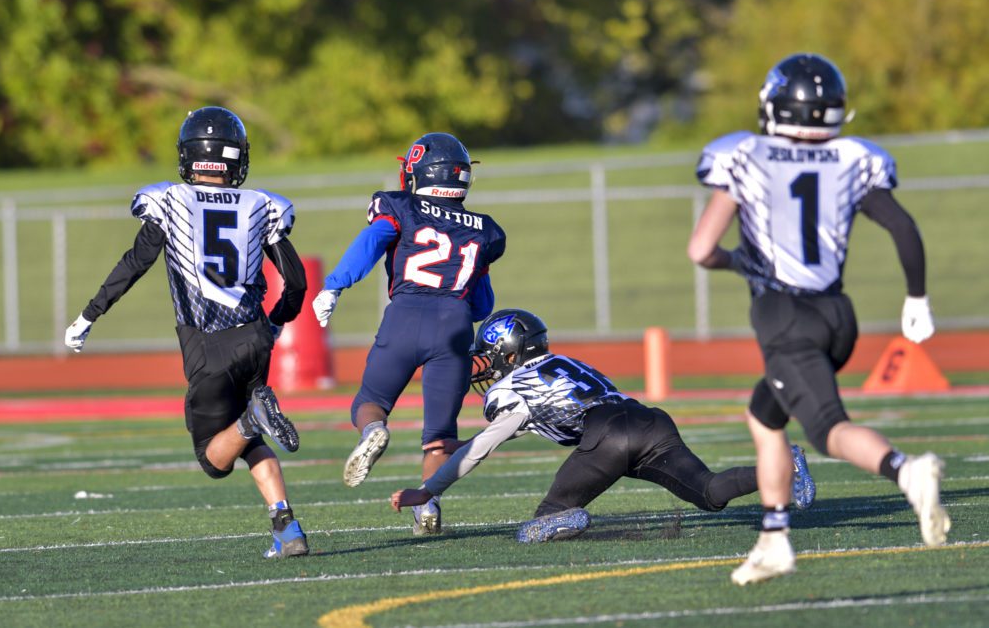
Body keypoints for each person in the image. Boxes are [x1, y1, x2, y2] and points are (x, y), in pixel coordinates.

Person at [688, 53, 950, 585]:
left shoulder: (745, 155)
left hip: (785, 315)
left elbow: (701, 249)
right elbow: (902, 227)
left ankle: (906, 470)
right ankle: (774, 538)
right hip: (836, 314)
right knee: (765, 417)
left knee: (829, 428)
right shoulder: (854, 157)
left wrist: (738, 261)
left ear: (773, 105)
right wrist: (916, 298)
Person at [63, 106, 310, 559]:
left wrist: (89, 314)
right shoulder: (261, 205)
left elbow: (136, 262)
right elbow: (296, 283)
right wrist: (274, 323)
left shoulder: (170, 199)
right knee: (247, 438)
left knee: (214, 457)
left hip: (207, 342)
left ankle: (256, 417)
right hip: (255, 337)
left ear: (189, 156)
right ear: (235, 160)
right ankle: (287, 527)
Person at [390, 309, 816, 542]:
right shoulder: (567, 363)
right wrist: (459, 443)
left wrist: (428, 490)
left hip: (608, 436)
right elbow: (517, 427)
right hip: (648, 421)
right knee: (708, 492)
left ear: (509, 352)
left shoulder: (512, 389)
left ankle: (567, 518)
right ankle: (782, 465)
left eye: (491, 355)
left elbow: (486, 444)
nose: (487, 365)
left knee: (536, 527)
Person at [311, 132, 506, 535]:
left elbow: (371, 241)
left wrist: (334, 284)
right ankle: (428, 507)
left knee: (370, 402)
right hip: (454, 325)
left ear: (419, 171)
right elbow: (483, 305)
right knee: (438, 435)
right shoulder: (484, 230)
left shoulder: (399, 205)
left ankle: (374, 431)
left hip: (403, 315)